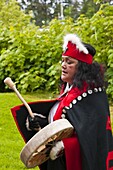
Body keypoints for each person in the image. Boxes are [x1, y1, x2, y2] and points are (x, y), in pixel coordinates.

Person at [11, 34, 113, 170]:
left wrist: (65, 145)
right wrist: (43, 123)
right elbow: (65, 122)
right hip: (60, 161)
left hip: (75, 162)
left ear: (82, 68)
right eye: (63, 61)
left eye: (69, 62)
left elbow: (93, 137)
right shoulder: (69, 89)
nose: (63, 65)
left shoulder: (92, 96)